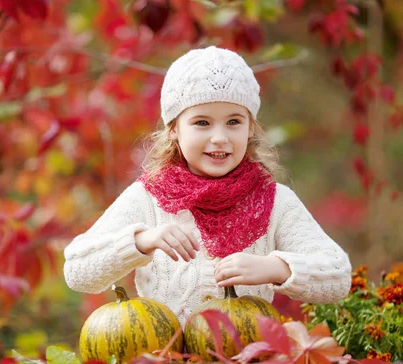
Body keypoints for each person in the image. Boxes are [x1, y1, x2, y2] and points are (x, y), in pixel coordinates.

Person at [63, 46, 352, 326]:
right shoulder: (148, 197)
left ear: (250, 127)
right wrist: (141, 241)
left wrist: (275, 268)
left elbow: (338, 277)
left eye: (233, 122)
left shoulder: (274, 200)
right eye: (202, 122)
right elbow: (77, 272)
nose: (219, 138)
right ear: (174, 129)